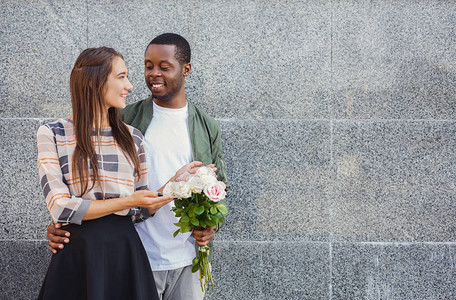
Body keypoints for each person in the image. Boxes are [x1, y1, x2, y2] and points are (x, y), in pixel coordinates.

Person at [47, 33, 229, 300]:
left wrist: (212, 225)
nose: (154, 74)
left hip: (188, 256)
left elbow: (219, 186)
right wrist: (63, 224)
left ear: (186, 70)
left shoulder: (206, 125)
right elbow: (84, 178)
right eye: (148, 66)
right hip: (137, 253)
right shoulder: (121, 118)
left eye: (164, 67)